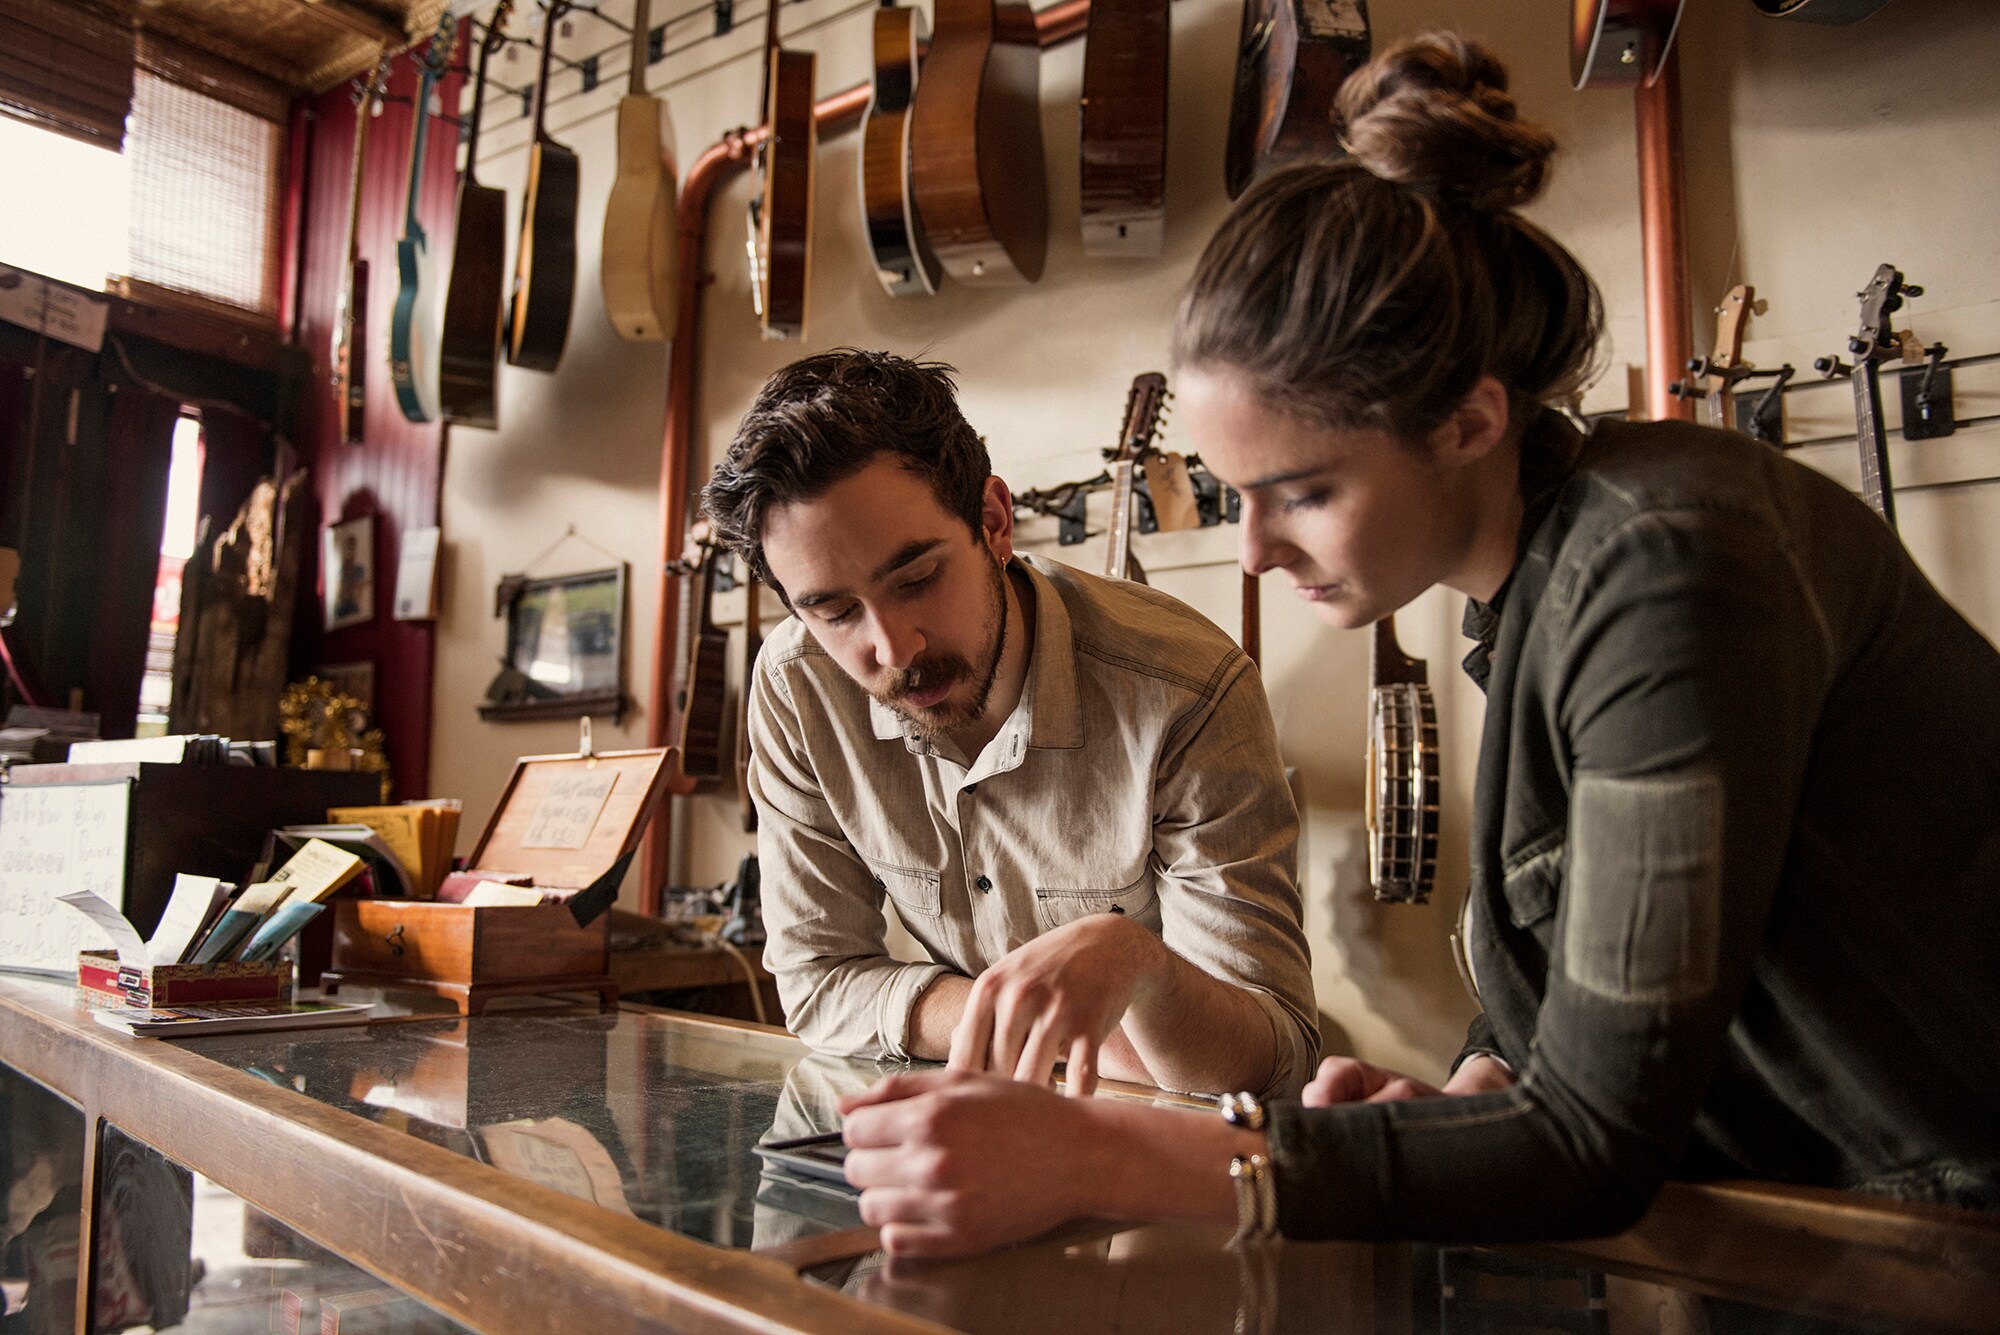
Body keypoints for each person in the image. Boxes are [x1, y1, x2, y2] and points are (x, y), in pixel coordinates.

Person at [834, 32, 2000, 1259]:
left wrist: (1113, 1154)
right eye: (1238, 497)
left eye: (1303, 492)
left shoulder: (1668, 563)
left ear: (1466, 421)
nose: (1254, 554)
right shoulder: (1550, 579)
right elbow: (1582, 1028)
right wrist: (1468, 1100)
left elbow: (1594, 1146)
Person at [700, 349, 1319, 1103]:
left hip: (1165, 1167)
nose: (894, 649)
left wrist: (1138, 964)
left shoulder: (1189, 692)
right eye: (834, 612)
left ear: (994, 522)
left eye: (918, 579)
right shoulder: (798, 686)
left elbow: (1269, 1055)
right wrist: (1036, 1024)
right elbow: (818, 982)